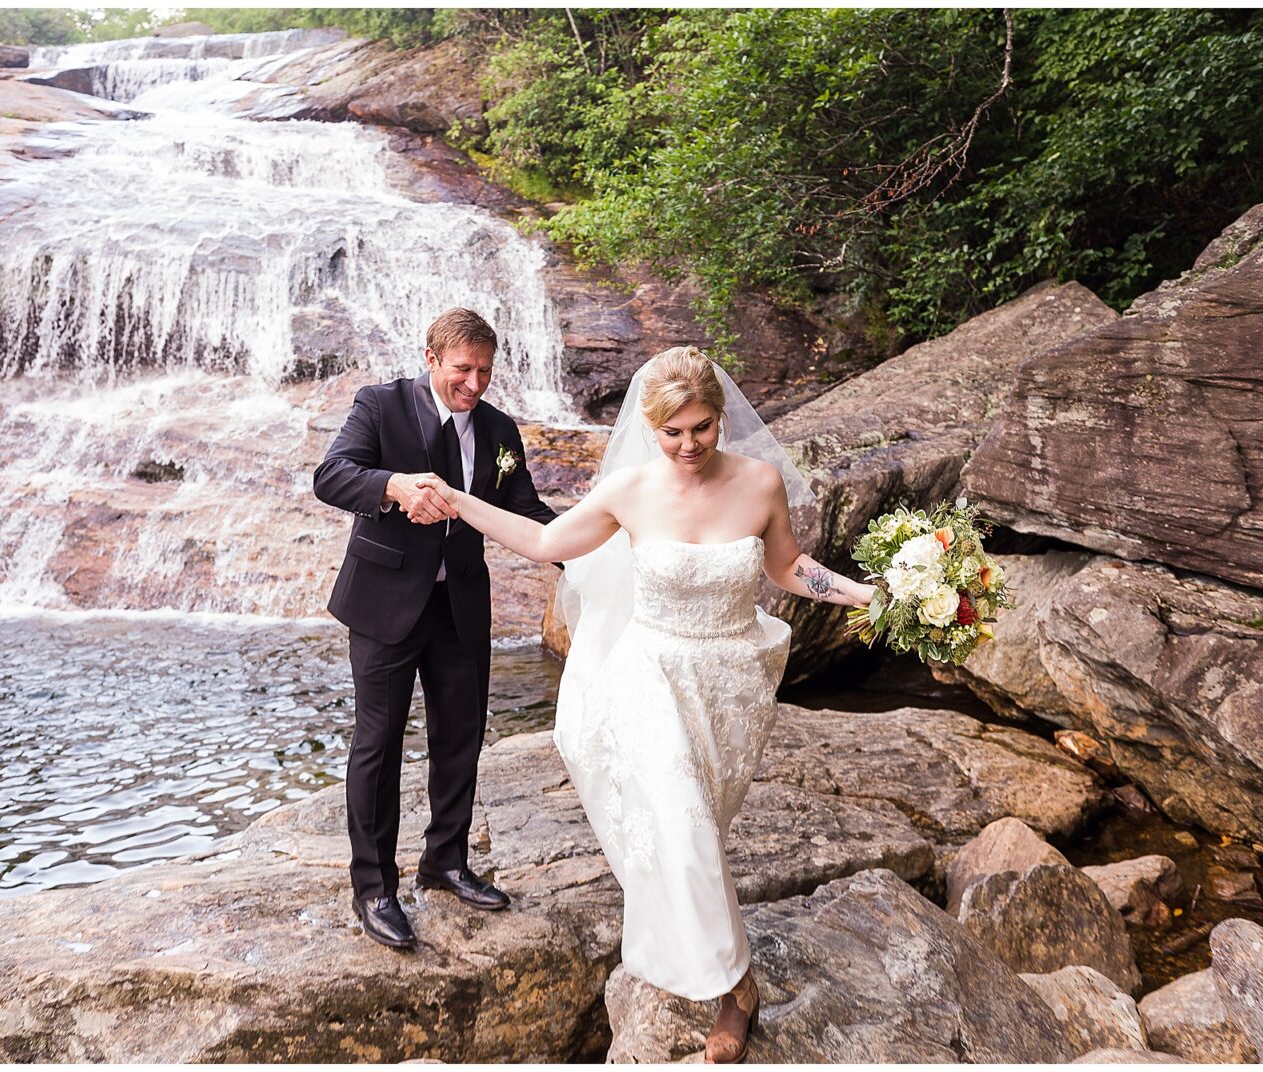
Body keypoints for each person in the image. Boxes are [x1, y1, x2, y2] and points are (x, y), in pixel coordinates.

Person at [416, 346, 876, 1062]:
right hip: (649, 673)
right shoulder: (629, 490)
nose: (689, 445)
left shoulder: (758, 483)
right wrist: (457, 498)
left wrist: (867, 595)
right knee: (680, 815)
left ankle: (707, 950)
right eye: (673, 432)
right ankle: (735, 988)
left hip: (730, 682)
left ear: (720, 418)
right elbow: (542, 540)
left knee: (700, 828)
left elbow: (787, 567)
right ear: (652, 428)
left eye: (701, 428)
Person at [313, 308, 558, 950]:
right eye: (462, 370)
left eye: (484, 371)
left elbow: (528, 512)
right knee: (379, 744)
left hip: (461, 609)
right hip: (384, 605)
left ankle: (446, 863)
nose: (474, 384)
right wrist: (393, 486)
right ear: (431, 359)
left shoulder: (501, 430)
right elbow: (331, 476)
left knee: (461, 739)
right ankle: (374, 889)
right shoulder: (380, 404)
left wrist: (597, 546)